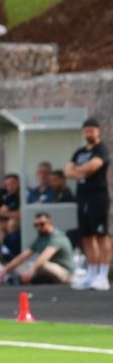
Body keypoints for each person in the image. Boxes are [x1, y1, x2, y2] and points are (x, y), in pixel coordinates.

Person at [64, 118, 110, 290]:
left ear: (98, 131)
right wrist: (80, 171)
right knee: (87, 237)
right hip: (82, 196)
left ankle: (103, 274)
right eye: (87, 130)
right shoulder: (79, 152)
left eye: (92, 129)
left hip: (97, 196)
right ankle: (91, 272)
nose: (89, 132)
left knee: (101, 235)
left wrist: (80, 170)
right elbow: (68, 171)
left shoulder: (102, 149)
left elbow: (93, 168)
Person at [0, 213, 74, 285]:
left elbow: (44, 257)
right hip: (49, 271)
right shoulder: (40, 238)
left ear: (50, 223)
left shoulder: (57, 237)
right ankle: (20, 278)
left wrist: (31, 271)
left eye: (42, 224)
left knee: (41, 265)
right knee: (18, 266)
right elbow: (23, 256)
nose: (38, 227)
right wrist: (6, 269)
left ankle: (30, 278)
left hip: (65, 273)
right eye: (36, 225)